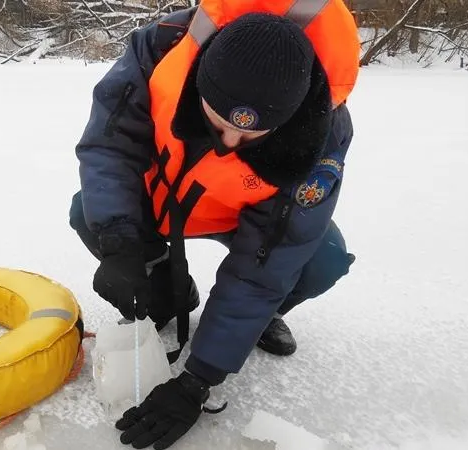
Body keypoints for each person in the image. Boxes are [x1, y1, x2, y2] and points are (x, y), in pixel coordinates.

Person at [69, 0, 361, 448]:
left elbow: (268, 263)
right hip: (163, 198)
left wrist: (197, 380)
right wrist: (121, 241)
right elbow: (109, 147)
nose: (228, 145)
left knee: (321, 260)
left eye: (248, 136)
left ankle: (256, 321)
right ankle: (166, 285)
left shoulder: (321, 135)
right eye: (218, 122)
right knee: (89, 211)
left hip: (245, 218)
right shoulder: (161, 47)